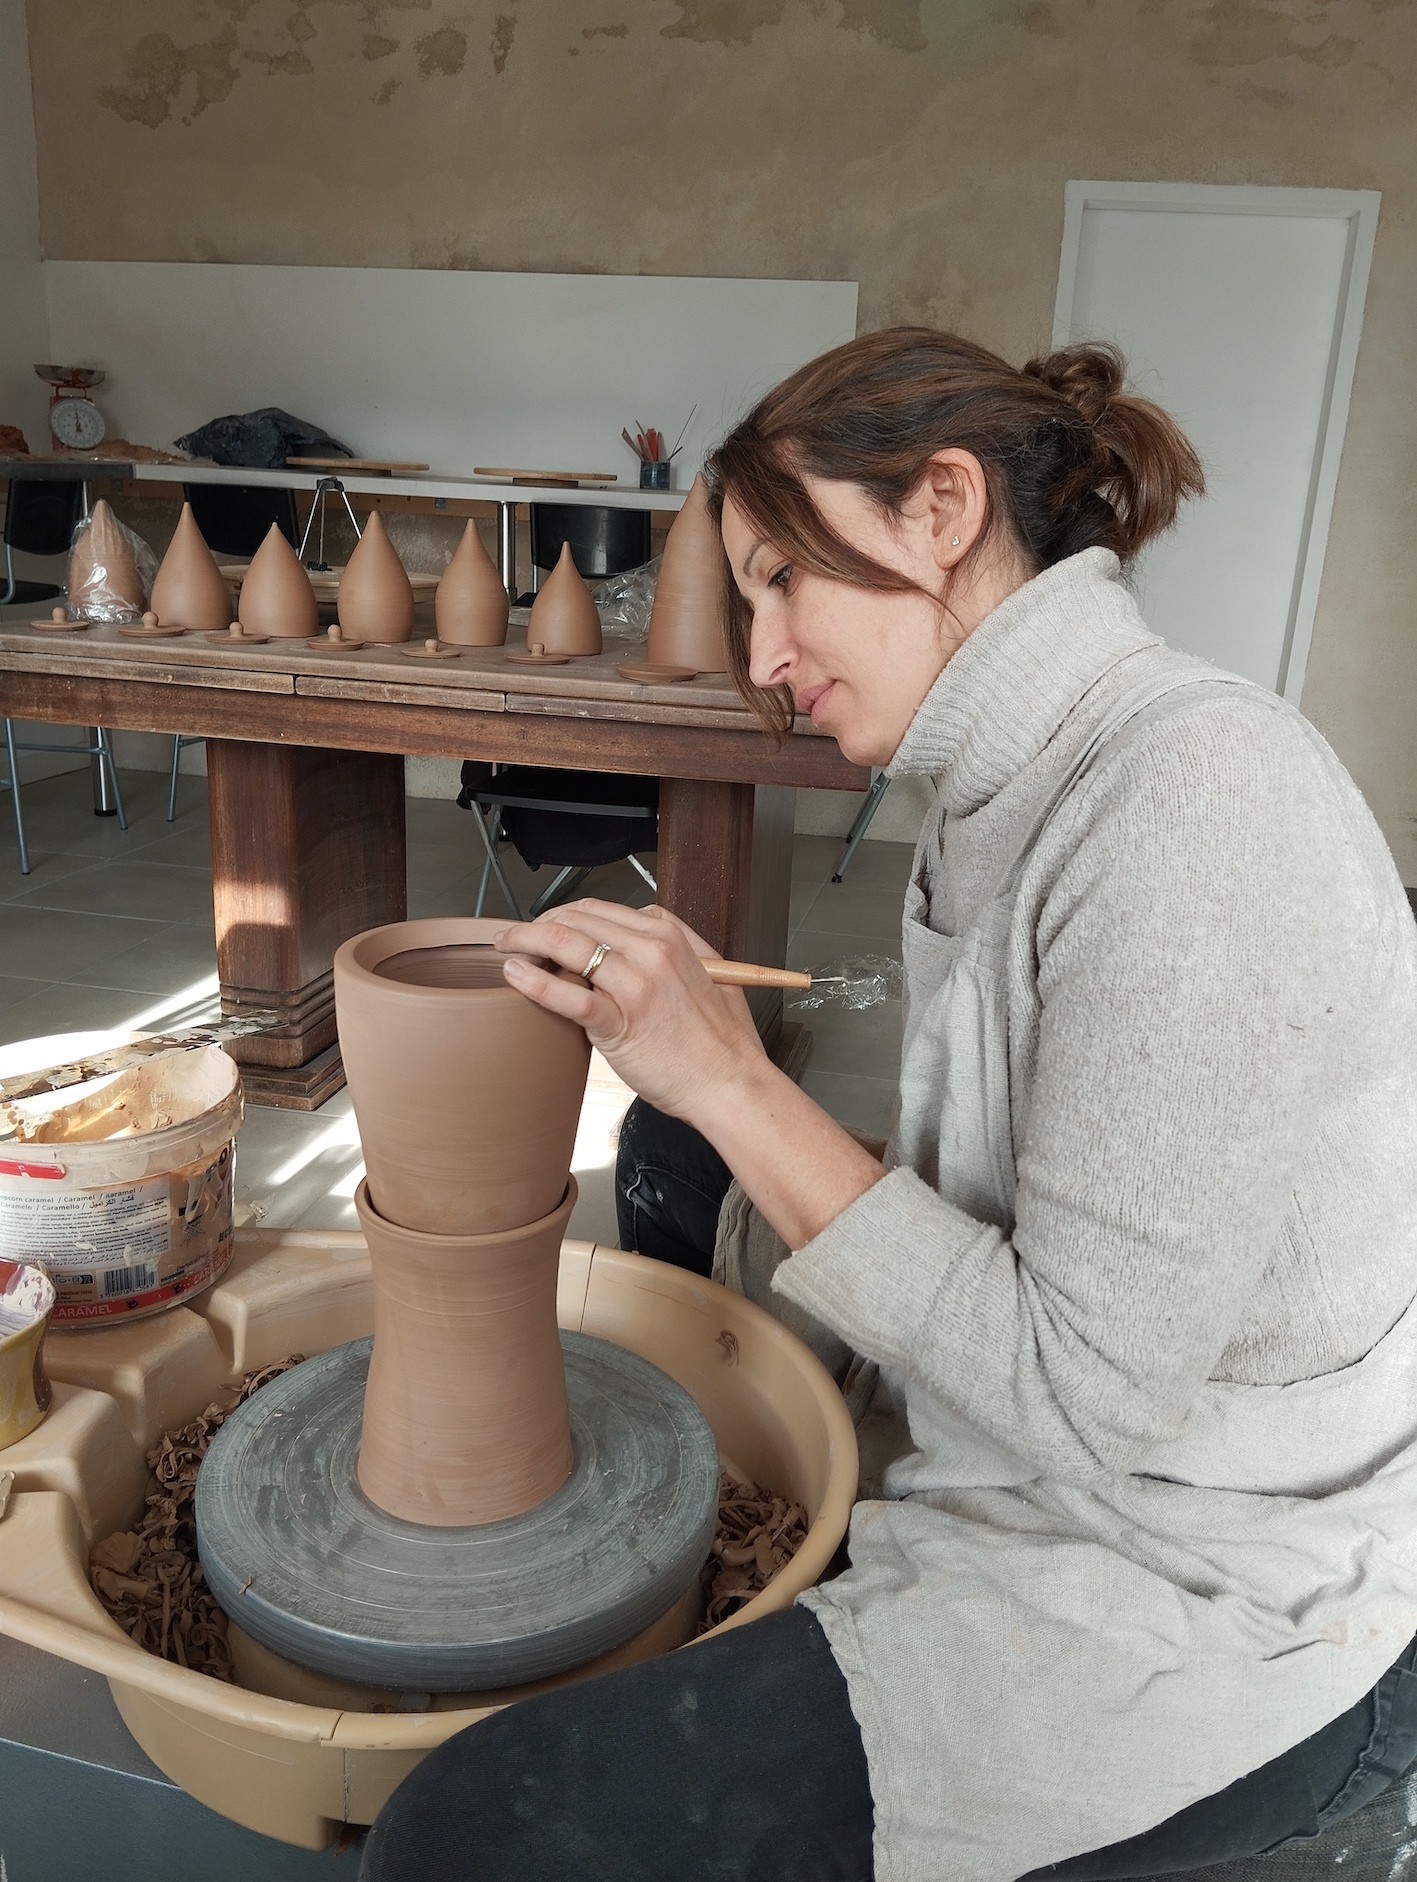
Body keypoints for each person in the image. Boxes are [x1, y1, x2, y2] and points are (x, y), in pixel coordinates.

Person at [360, 330, 1417, 1882]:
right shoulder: (999, 779)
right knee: (665, 1148)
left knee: (457, 1841)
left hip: (1206, 1548)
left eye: (782, 576)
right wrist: (700, 1097)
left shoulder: (1197, 798)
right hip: (1057, 1409)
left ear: (941, 506)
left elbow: (1085, 1401)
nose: (762, 656)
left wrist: (725, 1066)